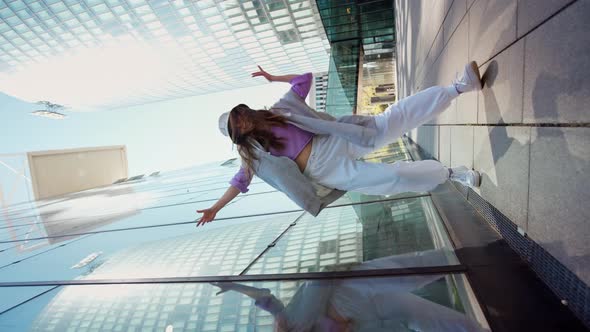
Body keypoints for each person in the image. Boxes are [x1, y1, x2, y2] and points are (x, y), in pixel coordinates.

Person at [197, 62, 483, 226]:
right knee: (391, 177)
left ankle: (457, 87)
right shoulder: (254, 156)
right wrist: (216, 207)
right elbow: (239, 181)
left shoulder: (279, 109)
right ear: (238, 137)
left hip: (332, 141)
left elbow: (303, 80)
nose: (242, 124)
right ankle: (451, 174)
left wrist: (274, 78)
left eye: (240, 117)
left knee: (390, 120)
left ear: (243, 112)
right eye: (237, 129)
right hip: (324, 172)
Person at [211, 249, 489, 331]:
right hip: (363, 313)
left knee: (402, 270)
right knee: (421, 315)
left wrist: (234, 285)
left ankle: (461, 259)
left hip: (343, 287)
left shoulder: (286, 324)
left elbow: (265, 298)